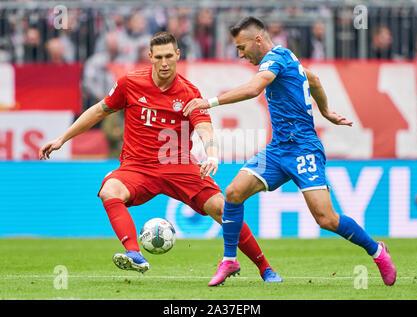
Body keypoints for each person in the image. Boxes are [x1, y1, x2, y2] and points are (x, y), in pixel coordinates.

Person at [39, 31, 282, 283]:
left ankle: (266, 269)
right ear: (150, 57)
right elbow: (99, 111)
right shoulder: (129, 84)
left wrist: (211, 154)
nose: (164, 62)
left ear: (178, 55)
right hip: (137, 167)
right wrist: (62, 139)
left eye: (169, 56)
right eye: (159, 57)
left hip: (178, 165)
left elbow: (204, 128)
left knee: (223, 209)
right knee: (109, 190)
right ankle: (134, 253)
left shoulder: (189, 92)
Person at [183, 16, 397, 287]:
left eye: (241, 47)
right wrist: (326, 111)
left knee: (326, 219)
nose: (240, 54)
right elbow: (315, 79)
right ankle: (229, 259)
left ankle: (377, 251)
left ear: (257, 40)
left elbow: (253, 89)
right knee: (234, 192)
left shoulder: (275, 58)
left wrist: (209, 102)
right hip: (277, 150)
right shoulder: (288, 58)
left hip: (303, 149)